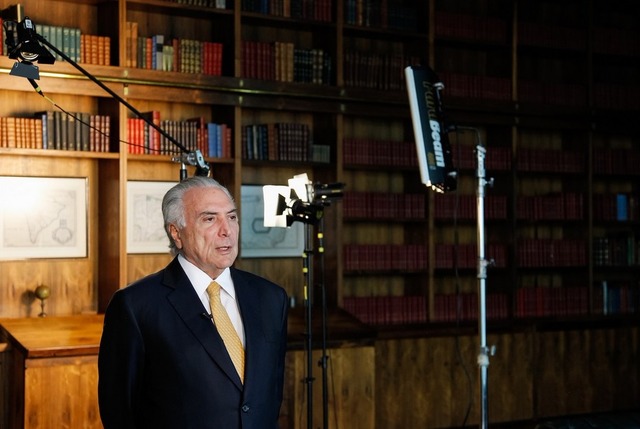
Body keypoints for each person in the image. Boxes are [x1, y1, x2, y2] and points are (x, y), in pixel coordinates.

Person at [98, 176, 289, 429]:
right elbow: (119, 412)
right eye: (209, 219)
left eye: (231, 217)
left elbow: (269, 394)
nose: (227, 230)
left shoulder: (271, 298)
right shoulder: (135, 306)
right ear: (176, 233)